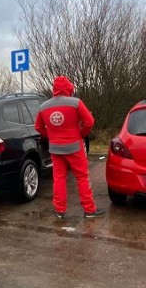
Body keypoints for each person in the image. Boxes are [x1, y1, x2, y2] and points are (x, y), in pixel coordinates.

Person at [35, 76, 105, 218]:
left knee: (59, 179)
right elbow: (89, 122)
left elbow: (38, 127)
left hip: (55, 148)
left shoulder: (43, 107)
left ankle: (59, 210)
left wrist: (51, 135)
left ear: (54, 89)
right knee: (82, 177)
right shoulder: (76, 103)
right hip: (75, 147)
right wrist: (81, 134)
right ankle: (89, 209)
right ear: (69, 88)